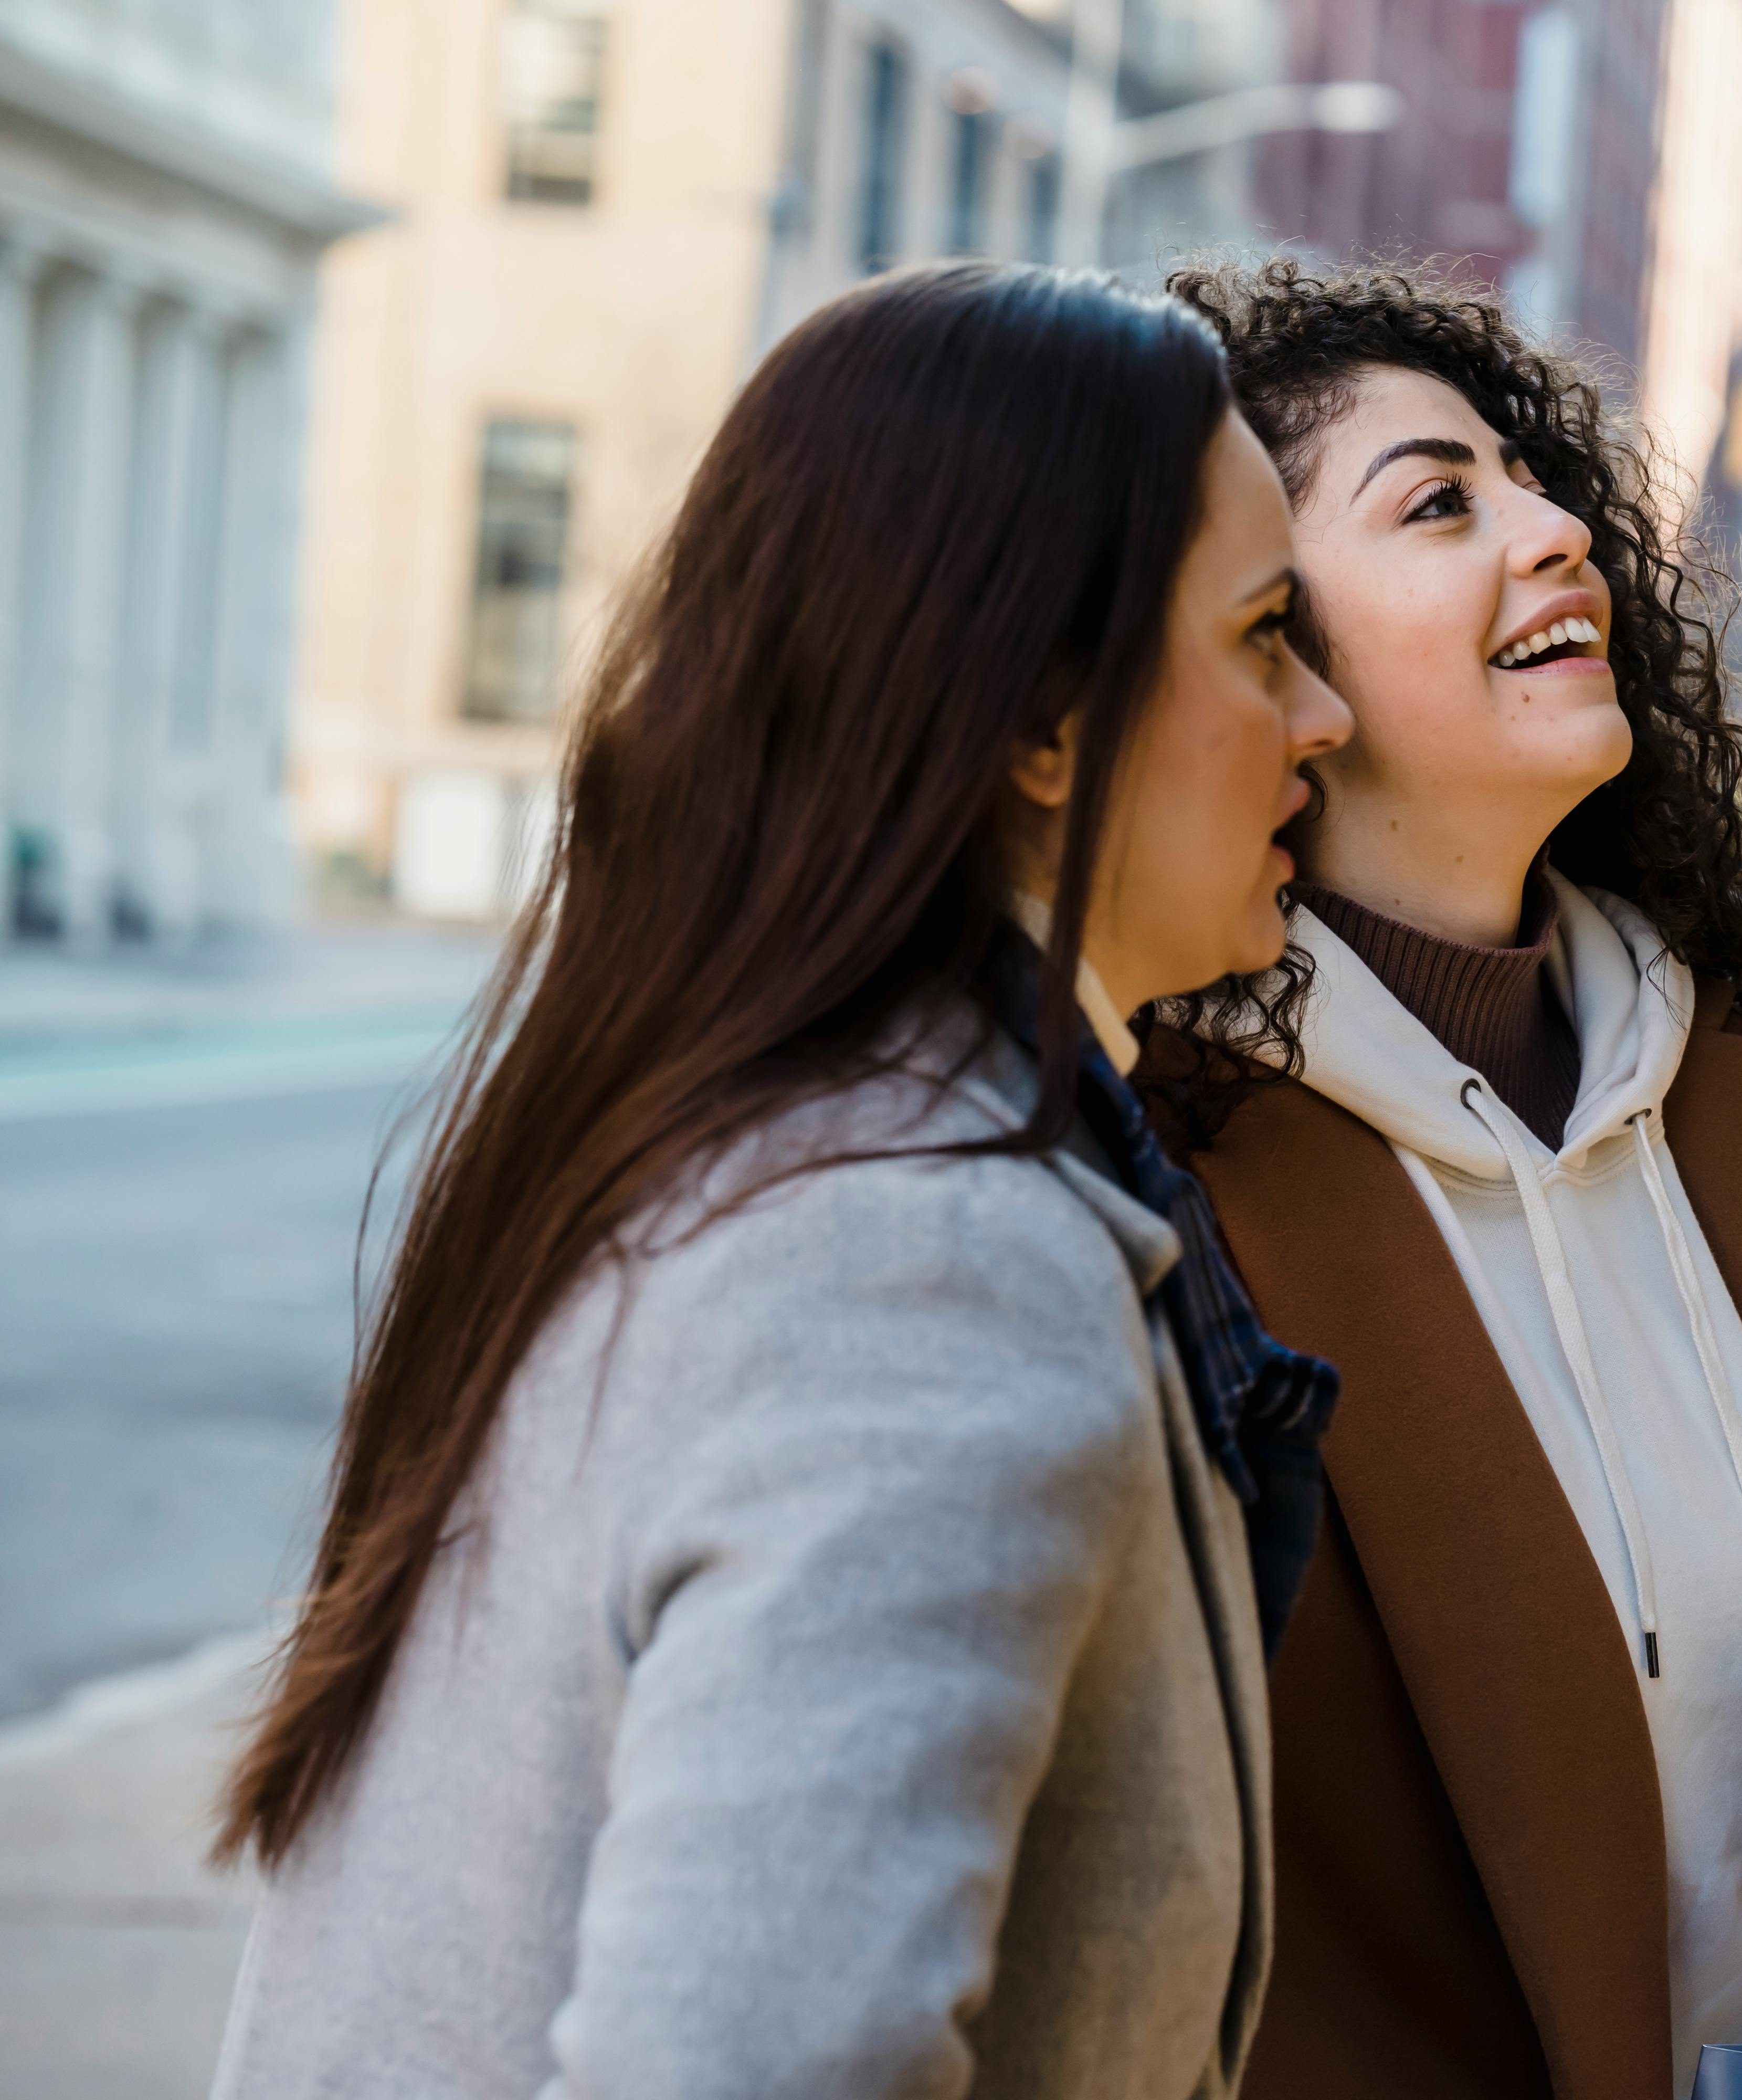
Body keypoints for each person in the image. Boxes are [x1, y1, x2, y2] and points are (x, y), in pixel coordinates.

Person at [208, 263, 1352, 2100]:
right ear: (1044, 725)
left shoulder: (739, 1149)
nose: (1324, 718)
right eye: (1265, 634)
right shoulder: (924, 1261)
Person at [1149, 256, 1742, 2100]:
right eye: (1442, 501)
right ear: (1254, 637)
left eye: (1537, 480)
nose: (1555, 530)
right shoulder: (1161, 1179)